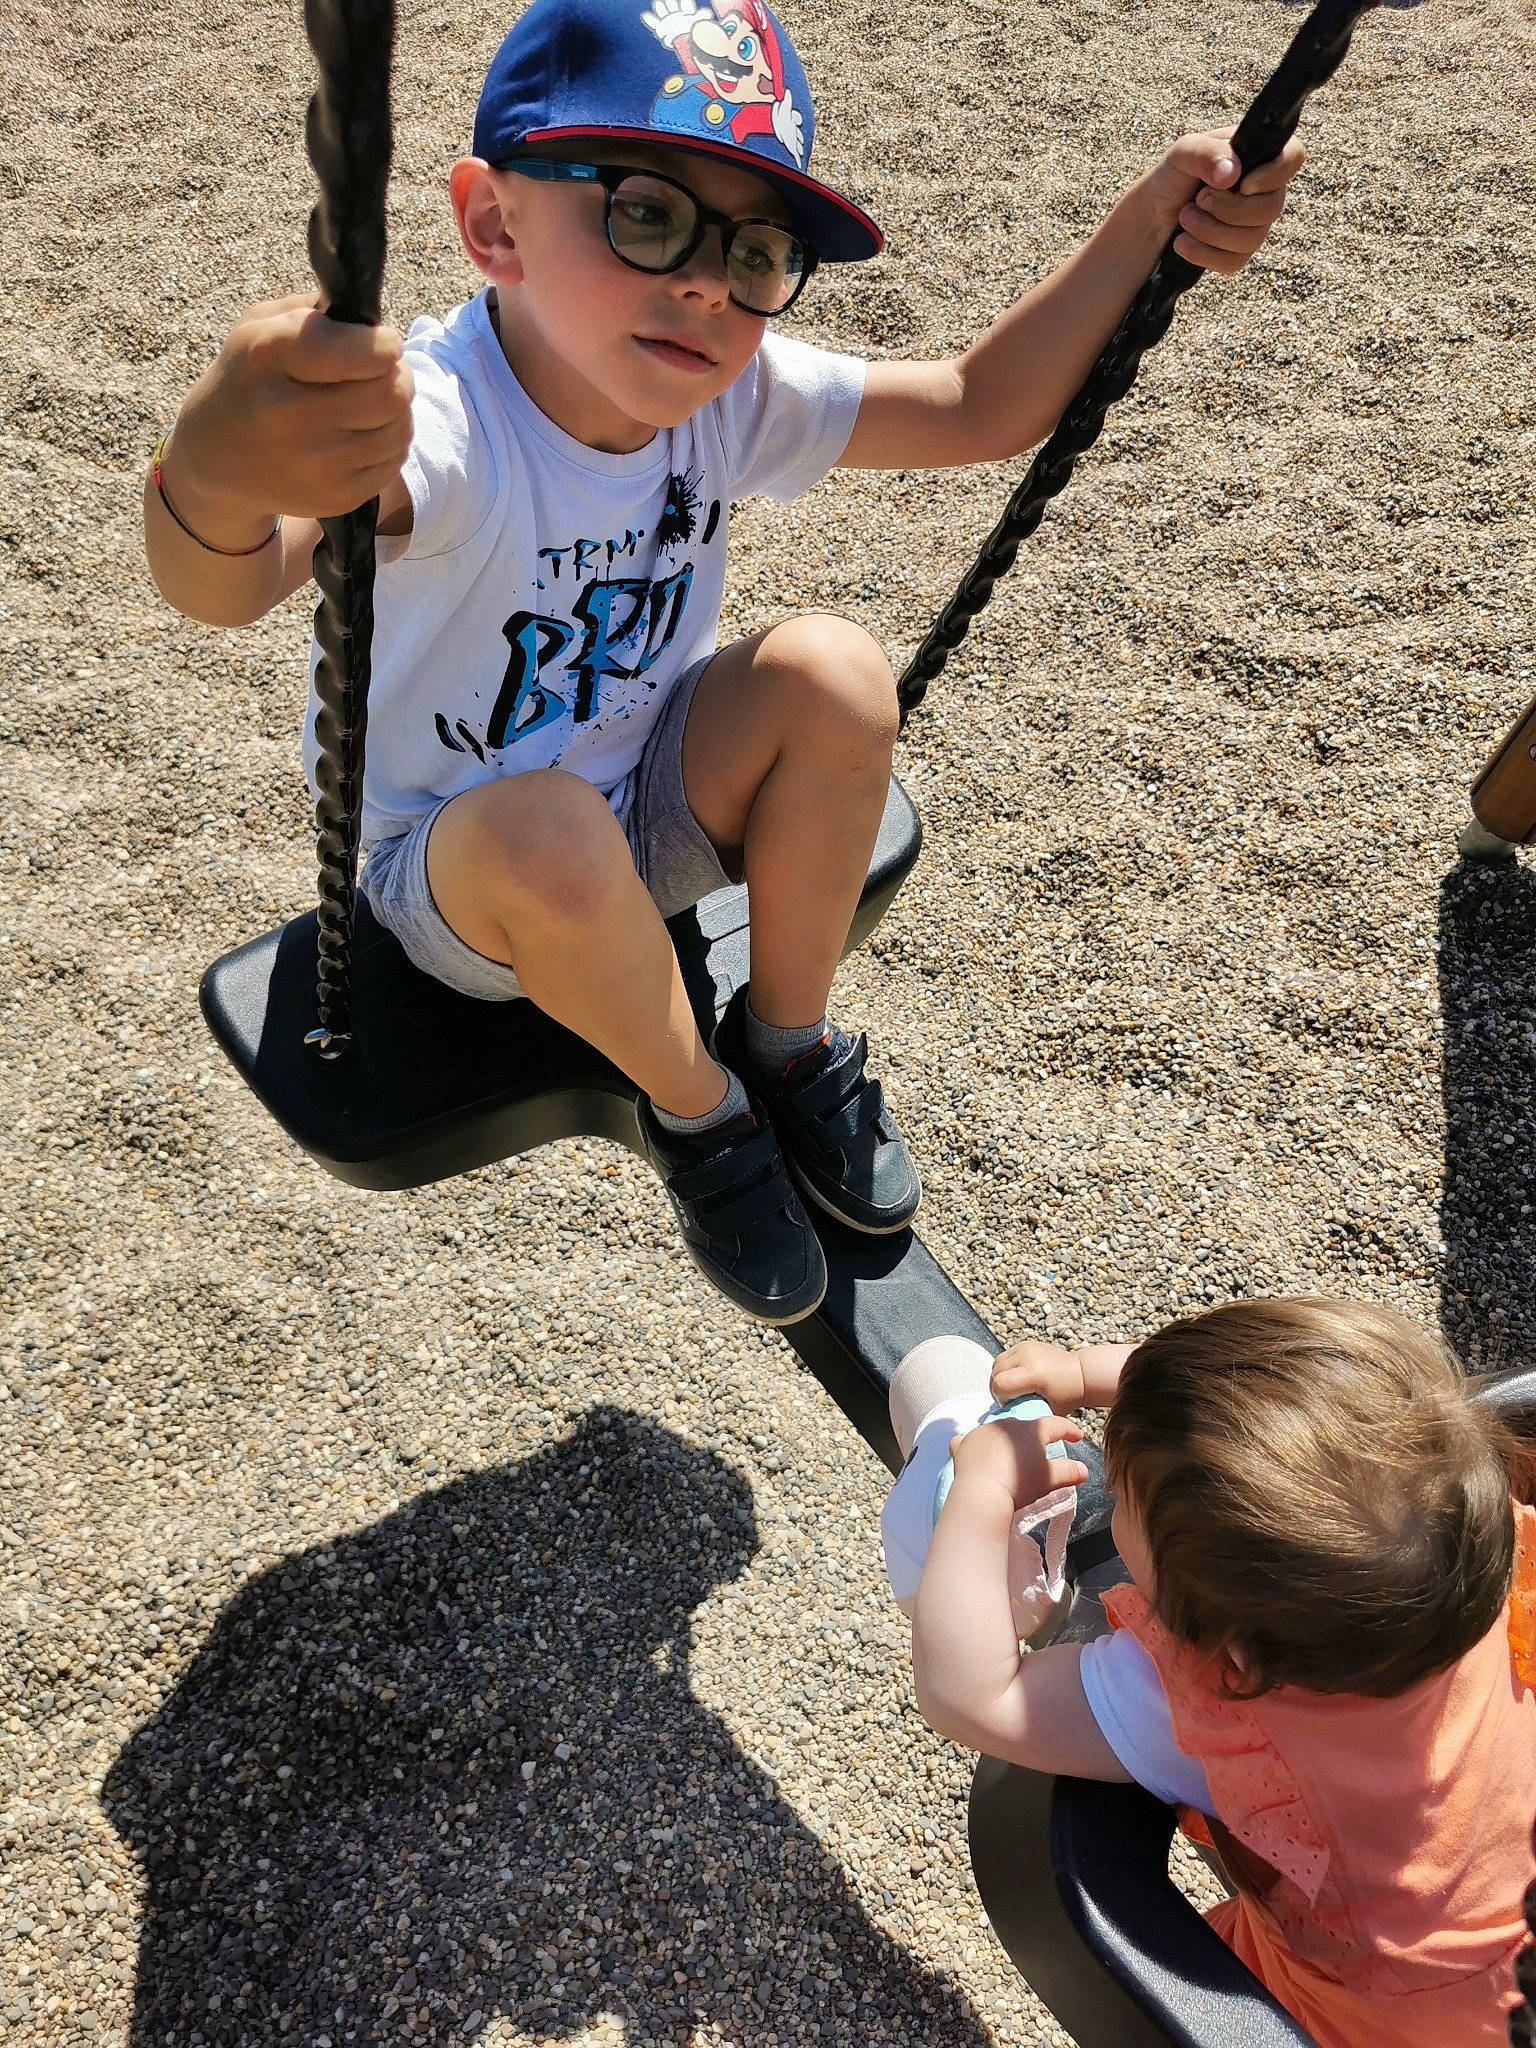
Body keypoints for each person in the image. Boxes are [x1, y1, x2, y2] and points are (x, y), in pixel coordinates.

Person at [143, 0, 1301, 1327]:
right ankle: (699, 1108)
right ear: (494, 223)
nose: (706, 283)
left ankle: (786, 1041)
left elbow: (979, 406)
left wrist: (1152, 221)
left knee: (837, 671)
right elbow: (230, 583)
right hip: (467, 883)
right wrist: (214, 477)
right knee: (547, 830)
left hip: (646, 799)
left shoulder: (724, 392)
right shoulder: (444, 424)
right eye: (646, 215)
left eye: (755, 252)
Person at [895, 1298, 1536, 2048]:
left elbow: (970, 1695)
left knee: (1198, 1997)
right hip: (1506, 1930)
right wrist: (1086, 1373)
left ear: (1226, 1658)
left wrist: (984, 1488)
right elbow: (1272, 1423)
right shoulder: (1466, 1534)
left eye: (1124, 1495)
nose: (1113, 1480)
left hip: (1372, 2015)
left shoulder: (1212, 1709)